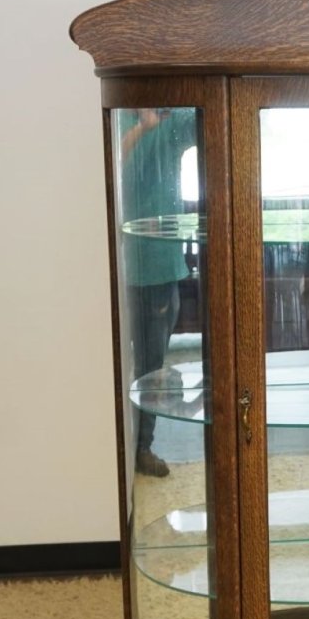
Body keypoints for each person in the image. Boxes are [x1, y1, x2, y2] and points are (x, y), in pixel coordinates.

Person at [119, 107, 197, 476]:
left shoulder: (174, 117)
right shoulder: (121, 116)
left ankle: (140, 446)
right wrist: (143, 127)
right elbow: (111, 167)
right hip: (137, 265)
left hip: (164, 265)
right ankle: (137, 449)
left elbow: (209, 120)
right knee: (143, 366)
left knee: (151, 365)